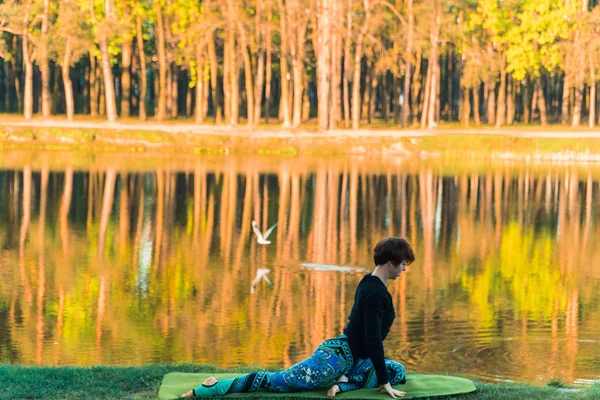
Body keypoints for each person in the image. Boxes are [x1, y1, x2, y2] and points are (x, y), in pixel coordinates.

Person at [182, 237, 415, 399]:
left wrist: (385, 377)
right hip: (335, 359)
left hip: (356, 358)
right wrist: (383, 383)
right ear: (391, 263)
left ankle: (344, 384)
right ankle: (214, 387)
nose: (404, 269)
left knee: (398, 371)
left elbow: (370, 340)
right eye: (403, 264)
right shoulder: (375, 294)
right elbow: (374, 339)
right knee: (278, 382)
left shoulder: (369, 281)